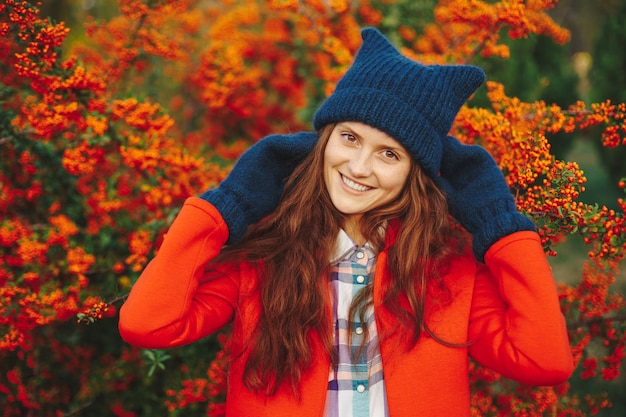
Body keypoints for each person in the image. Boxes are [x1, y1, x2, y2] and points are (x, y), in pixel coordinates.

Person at [118, 28, 574, 417]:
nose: (358, 167)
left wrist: (500, 224)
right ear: (322, 140)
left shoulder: (448, 272)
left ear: (415, 174)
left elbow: (544, 361)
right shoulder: (265, 254)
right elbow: (148, 324)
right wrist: (227, 205)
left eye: (389, 154)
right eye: (350, 137)